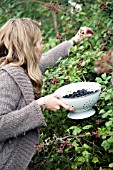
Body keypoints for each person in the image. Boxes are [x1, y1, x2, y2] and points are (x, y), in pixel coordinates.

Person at [0, 18, 94, 170]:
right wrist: (41, 104)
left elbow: (49, 58)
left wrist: (75, 40)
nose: (42, 46)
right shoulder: (7, 78)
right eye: (40, 42)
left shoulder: (23, 69)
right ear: (29, 47)